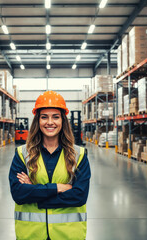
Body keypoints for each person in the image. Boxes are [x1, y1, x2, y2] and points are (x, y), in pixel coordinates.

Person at [9, 90, 91, 240]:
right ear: (38, 121)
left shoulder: (79, 155)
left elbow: (79, 196)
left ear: (63, 121)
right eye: (44, 117)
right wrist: (58, 188)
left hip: (68, 234)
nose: (50, 122)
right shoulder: (22, 154)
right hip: (31, 234)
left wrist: (34, 192)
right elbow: (19, 194)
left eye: (56, 117)